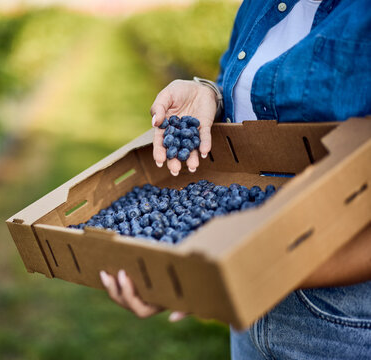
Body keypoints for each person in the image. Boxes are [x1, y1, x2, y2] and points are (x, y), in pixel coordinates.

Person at [100, 0, 371, 358]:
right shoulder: (261, 5)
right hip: (247, 307)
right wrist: (209, 93)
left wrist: (250, 263)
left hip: (341, 324)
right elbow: (250, 90)